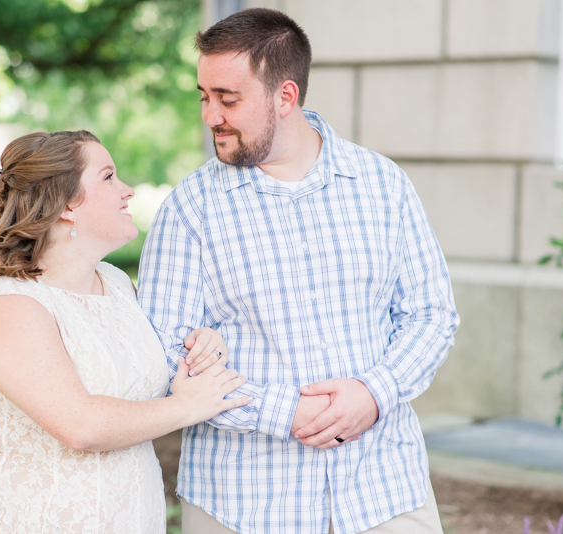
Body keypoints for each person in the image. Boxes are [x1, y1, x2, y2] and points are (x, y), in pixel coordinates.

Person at [137, 8, 460, 534]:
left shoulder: (382, 185)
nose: (210, 115)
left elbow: (431, 315)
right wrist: (284, 411)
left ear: (285, 97)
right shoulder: (190, 210)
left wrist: (373, 393)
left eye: (229, 99)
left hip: (384, 491)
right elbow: (165, 351)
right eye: (204, 96)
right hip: (243, 502)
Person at [0, 130, 252, 534]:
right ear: (67, 204)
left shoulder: (116, 283)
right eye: (108, 177)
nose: (127, 190)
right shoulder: (9, 305)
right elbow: (80, 425)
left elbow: (138, 386)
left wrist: (200, 349)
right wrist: (191, 406)